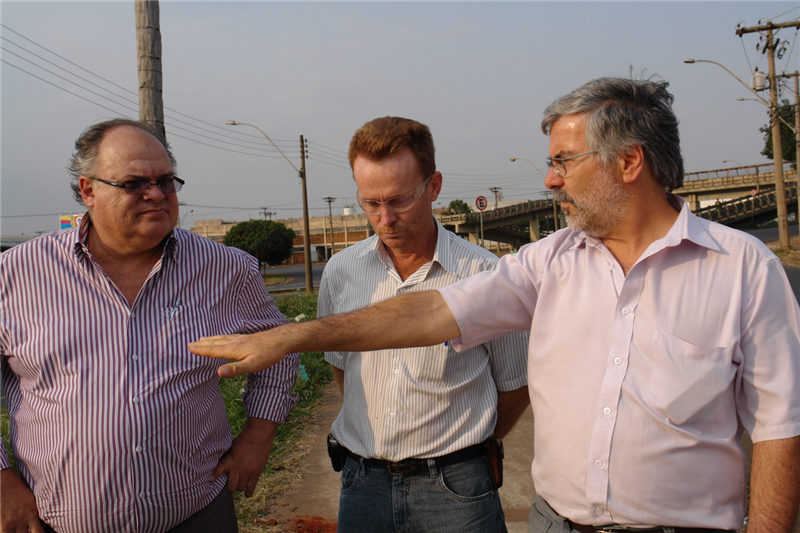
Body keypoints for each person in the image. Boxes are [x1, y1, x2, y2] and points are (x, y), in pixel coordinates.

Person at [189, 76, 800, 533]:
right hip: (555, 522)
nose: (550, 180)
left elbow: (780, 429)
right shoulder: (550, 261)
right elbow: (431, 312)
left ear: (629, 161)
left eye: (563, 161)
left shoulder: (744, 268)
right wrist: (291, 337)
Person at [0, 119, 299, 533]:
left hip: (196, 515)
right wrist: (1, 483)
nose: (156, 194)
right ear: (88, 190)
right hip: (55, 521)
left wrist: (258, 437)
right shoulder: (14, 275)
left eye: (166, 181)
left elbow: (279, 347)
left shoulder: (224, 268)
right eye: (134, 183)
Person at [318, 116, 529, 532]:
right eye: (370, 203)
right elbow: (343, 370)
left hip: (457, 491)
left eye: (399, 200)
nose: (385, 218)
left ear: (433, 186)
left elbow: (515, 386)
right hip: (363, 485)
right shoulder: (341, 272)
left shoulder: (484, 275)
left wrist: (465, 449)